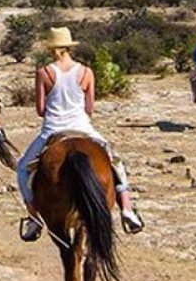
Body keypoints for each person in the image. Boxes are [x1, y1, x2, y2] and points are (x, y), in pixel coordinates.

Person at [16, 27, 144, 241]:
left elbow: (40, 110)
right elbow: (90, 108)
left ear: (51, 48)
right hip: (82, 126)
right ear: (68, 47)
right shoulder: (86, 72)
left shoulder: (44, 73)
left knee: (22, 169)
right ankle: (127, 209)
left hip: (53, 130)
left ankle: (34, 217)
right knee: (116, 163)